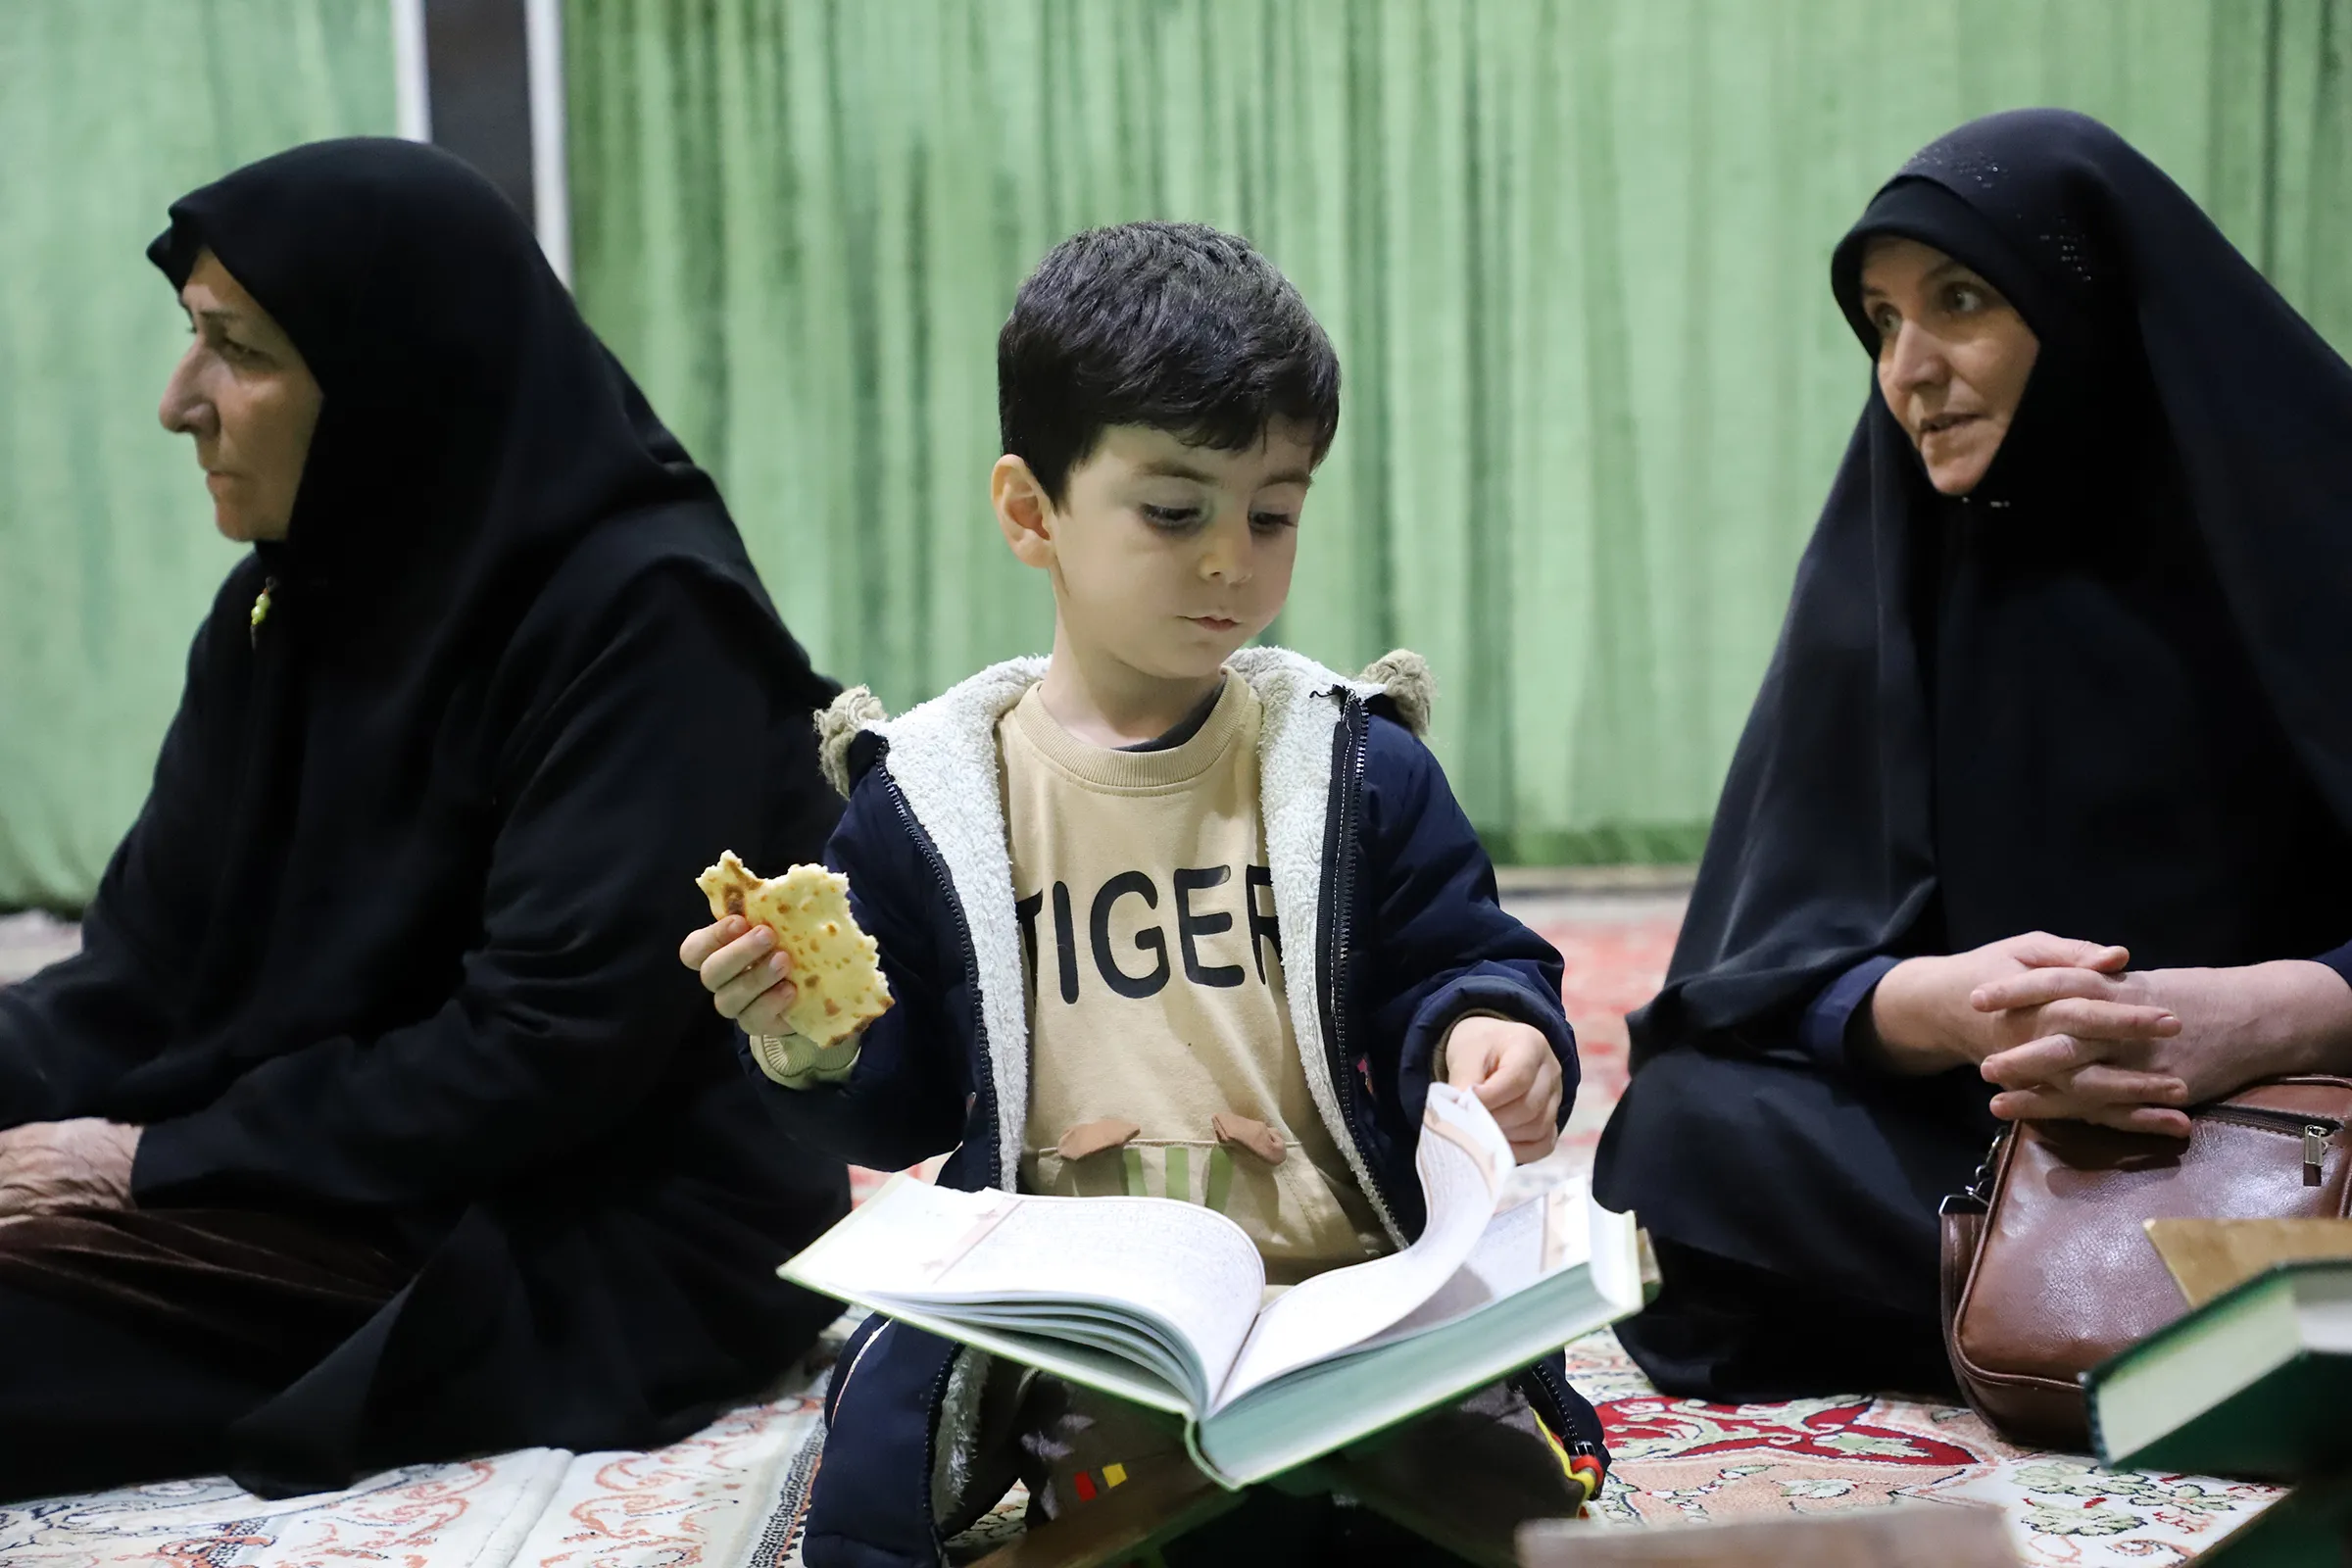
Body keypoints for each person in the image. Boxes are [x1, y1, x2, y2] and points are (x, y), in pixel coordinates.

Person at [680, 221, 1607, 1566]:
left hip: (1347, 1289)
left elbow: (1463, 955)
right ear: (1031, 511)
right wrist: (809, 1042)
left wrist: (1491, 1031)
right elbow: (908, 1105)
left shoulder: (1352, 764)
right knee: (1110, 1493)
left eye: (1272, 512)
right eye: (1175, 512)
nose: (1232, 559)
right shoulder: (935, 799)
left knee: (1471, 1495)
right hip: (1082, 1323)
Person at [0, 138, 851, 1500]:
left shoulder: (646, 621)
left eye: (238, 351)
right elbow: (142, 976)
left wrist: (155, 1160)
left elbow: (542, 1050)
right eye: (192, 338)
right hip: (344, 1163)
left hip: (573, 1222)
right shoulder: (287, 604)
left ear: (398, 377)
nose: (179, 403)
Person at [1592, 108, 2352, 1402]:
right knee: (1684, 1131)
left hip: (2303, 1121)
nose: (1910, 368)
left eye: (1959, 301)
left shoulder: (2315, 526)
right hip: (2007, 1139)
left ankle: (2080, 1322)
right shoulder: (1905, 574)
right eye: (1881, 321)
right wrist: (1944, 1008)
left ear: (2087, 306)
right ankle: (2197, 1332)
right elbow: (1771, 968)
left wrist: (2273, 1013)